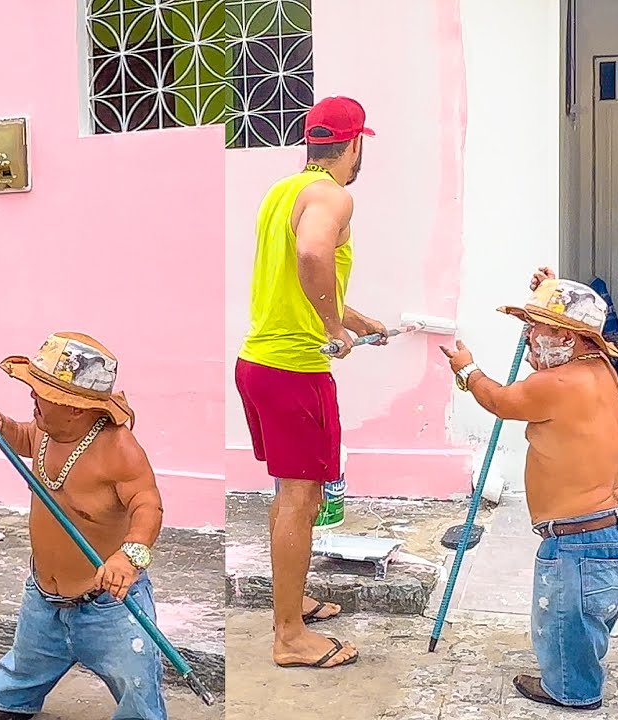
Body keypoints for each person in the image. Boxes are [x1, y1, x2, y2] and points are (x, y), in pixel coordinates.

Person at [440, 267, 618, 711]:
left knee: (563, 625)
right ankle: (578, 675)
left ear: (573, 339)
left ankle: (573, 692)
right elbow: (570, 324)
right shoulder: (605, 367)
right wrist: (550, 294)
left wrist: (467, 369)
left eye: (540, 330)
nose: (530, 338)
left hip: (580, 539)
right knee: (585, 622)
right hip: (613, 531)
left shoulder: (555, 383)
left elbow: (500, 401)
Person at [233, 95, 387, 670]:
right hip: (296, 371)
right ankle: (290, 637)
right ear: (354, 145)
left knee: (287, 494)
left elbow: (292, 277)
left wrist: (350, 317)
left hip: (259, 363)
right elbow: (312, 252)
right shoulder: (333, 194)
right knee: (303, 499)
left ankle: (291, 607)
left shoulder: (284, 192)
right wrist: (328, 325)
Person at [0, 332, 166, 720]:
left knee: (136, 676)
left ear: (76, 408)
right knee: (28, 659)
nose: (31, 396)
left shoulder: (119, 449)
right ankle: (9, 702)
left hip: (108, 602)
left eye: (40, 393)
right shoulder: (49, 428)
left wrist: (129, 556)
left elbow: (148, 505)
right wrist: (3, 427)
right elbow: (26, 439)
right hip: (44, 593)